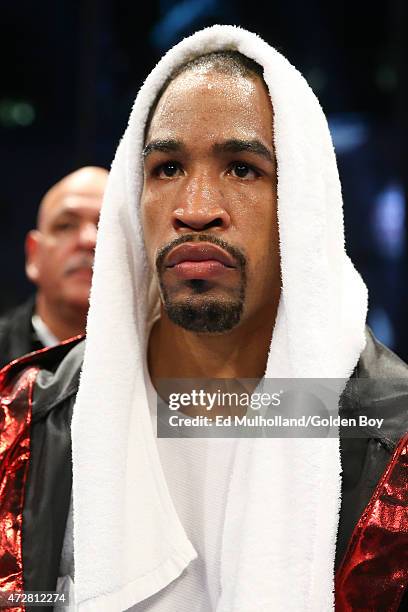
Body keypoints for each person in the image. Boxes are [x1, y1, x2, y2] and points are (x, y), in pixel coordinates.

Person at [0, 26, 407, 612]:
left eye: (241, 168)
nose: (194, 211)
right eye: (166, 169)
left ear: (303, 203)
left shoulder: (394, 441)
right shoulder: (20, 423)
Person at [0, 166, 108, 368]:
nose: (88, 240)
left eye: (107, 225)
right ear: (34, 255)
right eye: (66, 226)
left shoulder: (173, 364)